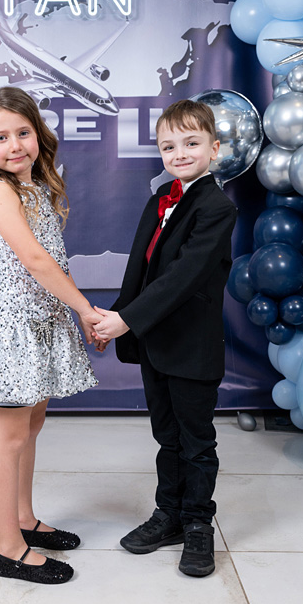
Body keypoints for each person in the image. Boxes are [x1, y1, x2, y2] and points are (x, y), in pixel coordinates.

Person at [0, 87, 103, 585]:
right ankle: (8, 549)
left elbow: (54, 260)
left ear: (38, 134)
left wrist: (75, 313)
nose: (15, 145)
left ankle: (23, 518)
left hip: (42, 323)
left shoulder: (34, 188)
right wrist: (86, 309)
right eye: (1, 137)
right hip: (13, 329)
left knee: (31, 425)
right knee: (10, 437)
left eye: (23, 132)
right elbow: (36, 261)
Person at [93, 100, 237, 578]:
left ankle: (198, 523)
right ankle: (168, 514)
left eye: (192, 143)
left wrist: (127, 320)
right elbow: (141, 270)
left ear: (214, 148)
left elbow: (182, 277)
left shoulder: (217, 207)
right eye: (169, 146)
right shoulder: (160, 199)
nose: (180, 154)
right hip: (156, 341)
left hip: (192, 346)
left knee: (196, 442)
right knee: (166, 436)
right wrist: (116, 317)